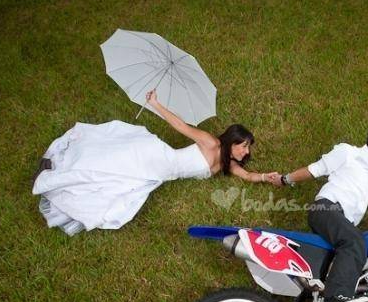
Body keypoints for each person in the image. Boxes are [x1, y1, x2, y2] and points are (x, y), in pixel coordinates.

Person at [33, 90, 279, 235]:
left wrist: (267, 176)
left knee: (117, 186)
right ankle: (58, 169)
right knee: (110, 166)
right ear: (233, 140)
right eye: (244, 145)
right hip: (156, 156)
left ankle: (63, 177)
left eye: (248, 148)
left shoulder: (228, 165)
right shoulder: (211, 142)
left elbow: (248, 176)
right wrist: (155, 104)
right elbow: (180, 126)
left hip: (161, 173)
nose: (246, 152)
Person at [273, 122, 368, 302]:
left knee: (360, 245)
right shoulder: (348, 153)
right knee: (355, 241)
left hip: (343, 222)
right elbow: (314, 170)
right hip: (326, 209)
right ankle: (336, 298)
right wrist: (284, 179)